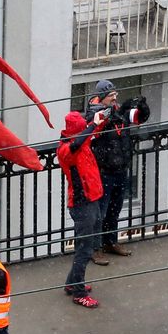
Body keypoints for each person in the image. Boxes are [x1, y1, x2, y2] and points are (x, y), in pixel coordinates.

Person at [85, 79, 150, 263]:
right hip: (104, 170)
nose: (115, 98)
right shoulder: (95, 113)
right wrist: (118, 111)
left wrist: (142, 108)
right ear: (102, 97)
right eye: (111, 96)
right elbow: (97, 126)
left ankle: (110, 242)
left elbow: (137, 118)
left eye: (116, 95)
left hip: (120, 167)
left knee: (114, 209)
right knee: (100, 212)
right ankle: (94, 248)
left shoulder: (117, 111)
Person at [57, 110, 106, 309]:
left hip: (90, 199)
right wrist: (92, 125)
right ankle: (78, 292)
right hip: (82, 203)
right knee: (84, 250)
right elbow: (80, 141)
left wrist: (100, 119)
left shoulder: (77, 140)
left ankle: (73, 283)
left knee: (85, 246)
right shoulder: (68, 149)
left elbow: (89, 134)